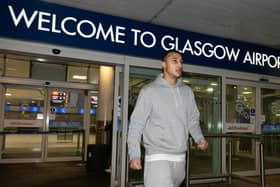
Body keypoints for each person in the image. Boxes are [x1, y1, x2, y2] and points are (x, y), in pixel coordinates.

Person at [127, 49, 208, 187]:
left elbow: (192, 120)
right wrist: (134, 154)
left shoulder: (187, 92)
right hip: (158, 155)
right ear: (163, 64)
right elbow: (136, 124)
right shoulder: (149, 91)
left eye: (181, 62)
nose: (179, 65)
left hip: (181, 157)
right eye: (174, 61)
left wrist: (199, 138)